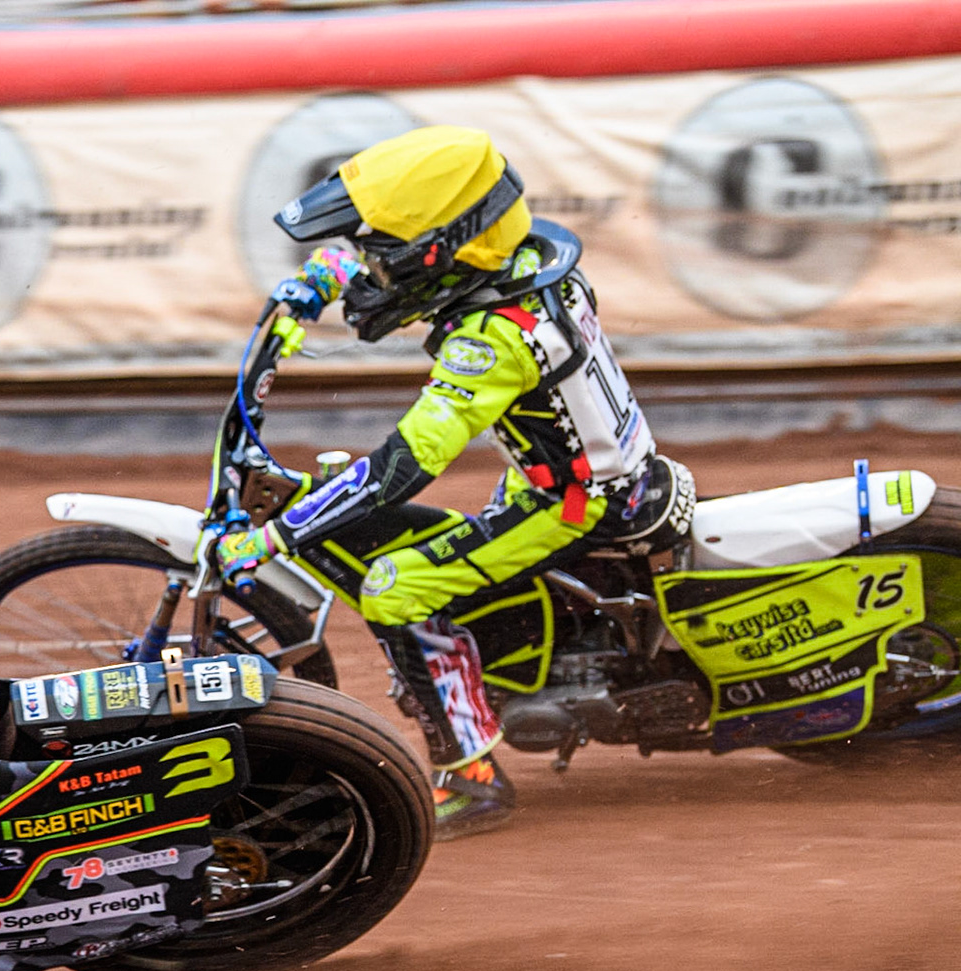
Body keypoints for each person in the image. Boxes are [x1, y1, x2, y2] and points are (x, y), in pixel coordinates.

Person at [215, 126, 691, 839]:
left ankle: (469, 774)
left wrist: (282, 533)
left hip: (576, 504)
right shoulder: (526, 259)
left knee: (394, 585)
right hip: (593, 471)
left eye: (383, 256)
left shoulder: (493, 340)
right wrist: (328, 276)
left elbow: (407, 463)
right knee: (438, 551)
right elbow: (414, 256)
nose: (375, 267)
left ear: (444, 249)